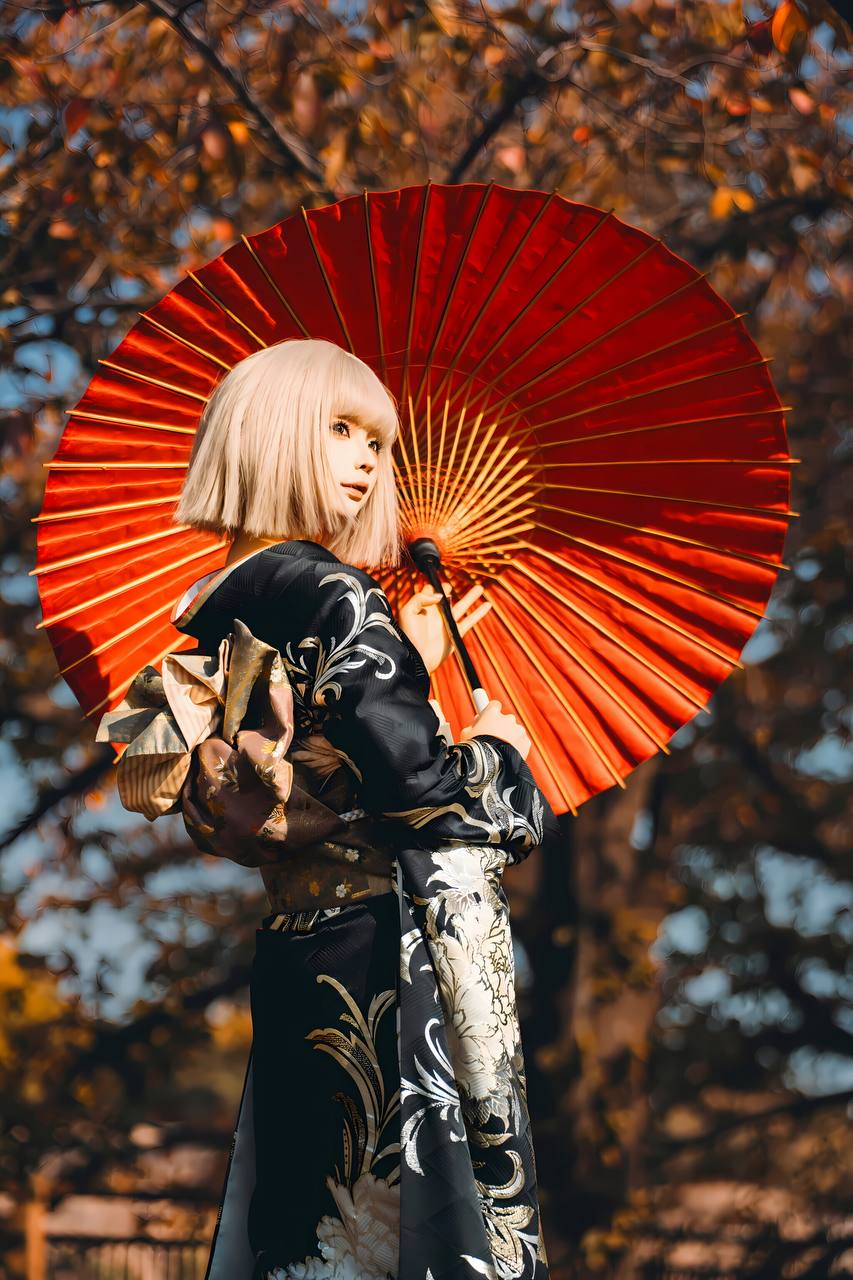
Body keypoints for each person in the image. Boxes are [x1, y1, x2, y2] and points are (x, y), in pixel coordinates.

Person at [165, 337, 554, 1279]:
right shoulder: (336, 592)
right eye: (340, 430)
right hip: (379, 957)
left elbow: (320, 763)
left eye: (378, 442)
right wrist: (498, 750)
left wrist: (403, 658)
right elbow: (426, 798)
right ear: (272, 431)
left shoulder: (215, 603)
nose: (368, 461)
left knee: (313, 1218)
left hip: (295, 950)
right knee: (390, 1220)